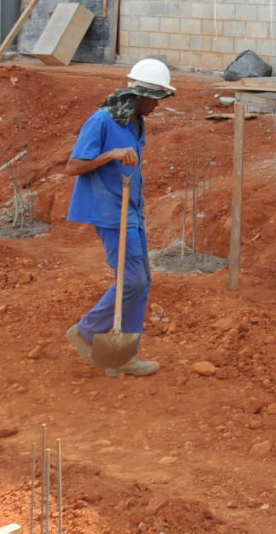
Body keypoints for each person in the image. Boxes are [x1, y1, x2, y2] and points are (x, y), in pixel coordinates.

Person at [63, 59, 174, 377]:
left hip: (131, 208)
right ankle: (86, 331)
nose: (158, 105)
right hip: (109, 210)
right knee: (132, 280)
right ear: (141, 94)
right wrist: (110, 155)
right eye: (156, 99)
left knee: (141, 283)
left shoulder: (137, 121)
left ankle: (123, 355)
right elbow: (73, 166)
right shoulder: (101, 121)